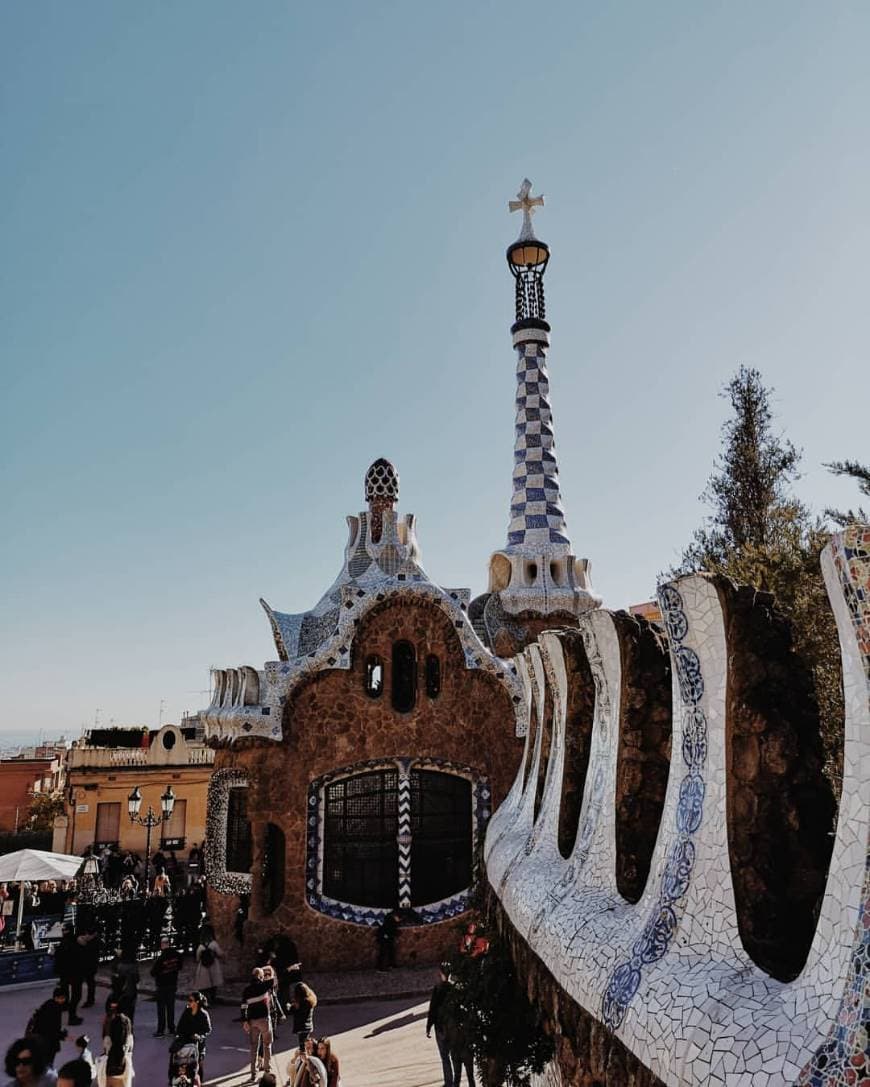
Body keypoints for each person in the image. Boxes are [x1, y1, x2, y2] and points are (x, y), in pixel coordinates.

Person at [241, 967, 274, 1083]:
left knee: (254, 1048)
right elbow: (275, 980)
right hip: (264, 1020)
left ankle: (253, 1075)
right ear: (261, 977)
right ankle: (267, 1072)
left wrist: (245, 1021)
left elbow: (243, 1007)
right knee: (267, 1045)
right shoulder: (264, 986)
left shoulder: (246, 990)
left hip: (252, 1021)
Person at [427, 964, 456, 1087]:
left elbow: (432, 1009)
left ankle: (448, 1082)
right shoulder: (453, 989)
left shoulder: (438, 989)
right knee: (455, 1056)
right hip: (452, 1026)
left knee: (445, 1057)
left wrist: (428, 1026)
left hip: (441, 1027)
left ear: (441, 974)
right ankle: (456, 1081)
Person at [173, 991, 211, 1082]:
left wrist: (200, 1036)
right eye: (188, 1000)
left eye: (191, 1000)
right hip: (186, 1042)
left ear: (197, 1002)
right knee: (183, 1063)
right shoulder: (187, 1012)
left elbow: (208, 1029)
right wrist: (178, 1035)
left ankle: (199, 1081)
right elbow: (180, 1026)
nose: (189, 1003)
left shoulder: (203, 1014)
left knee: (199, 1063)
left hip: (198, 1043)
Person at [151, 935, 183, 1036]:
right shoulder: (177, 955)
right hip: (172, 983)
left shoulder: (161, 958)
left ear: (162, 944)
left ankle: (161, 1030)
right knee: (170, 1007)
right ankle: (171, 1028)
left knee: (161, 1008)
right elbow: (180, 966)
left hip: (162, 985)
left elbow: (153, 972)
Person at [28, 989, 68, 1067]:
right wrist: (62, 1035)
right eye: (61, 998)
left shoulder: (48, 1004)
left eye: (64, 998)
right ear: (56, 998)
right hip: (47, 1040)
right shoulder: (55, 1009)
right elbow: (52, 1027)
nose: (63, 1000)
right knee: (48, 1060)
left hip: (41, 1038)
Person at [54, 925, 84, 1025]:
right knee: (76, 995)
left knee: (65, 993)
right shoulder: (75, 943)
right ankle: (72, 1016)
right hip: (74, 973)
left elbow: (57, 958)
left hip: (65, 973)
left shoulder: (63, 943)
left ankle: (64, 1010)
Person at [192, 925, 223, 1006]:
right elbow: (220, 953)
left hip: (203, 967)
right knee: (213, 985)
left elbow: (198, 958)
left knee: (204, 986)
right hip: (214, 966)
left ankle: (205, 1001)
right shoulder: (214, 944)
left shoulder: (201, 946)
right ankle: (213, 1000)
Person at [110, 947, 139, 1024]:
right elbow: (137, 979)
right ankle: (130, 1029)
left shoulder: (120, 965)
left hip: (121, 992)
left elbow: (114, 975)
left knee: (120, 1012)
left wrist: (117, 957)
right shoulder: (134, 966)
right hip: (132, 992)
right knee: (130, 1013)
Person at [288, 984, 317, 1049]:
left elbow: (296, 1013)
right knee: (306, 1044)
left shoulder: (301, 1003)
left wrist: (290, 1007)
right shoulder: (310, 1000)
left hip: (302, 1027)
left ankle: (305, 1058)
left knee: (302, 1046)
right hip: (309, 1026)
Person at [78, 930, 101, 1009]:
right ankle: (90, 999)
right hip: (91, 965)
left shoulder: (91, 943)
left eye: (87, 934)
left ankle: (90, 1000)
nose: (86, 936)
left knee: (90, 982)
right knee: (90, 982)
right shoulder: (94, 941)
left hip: (89, 965)